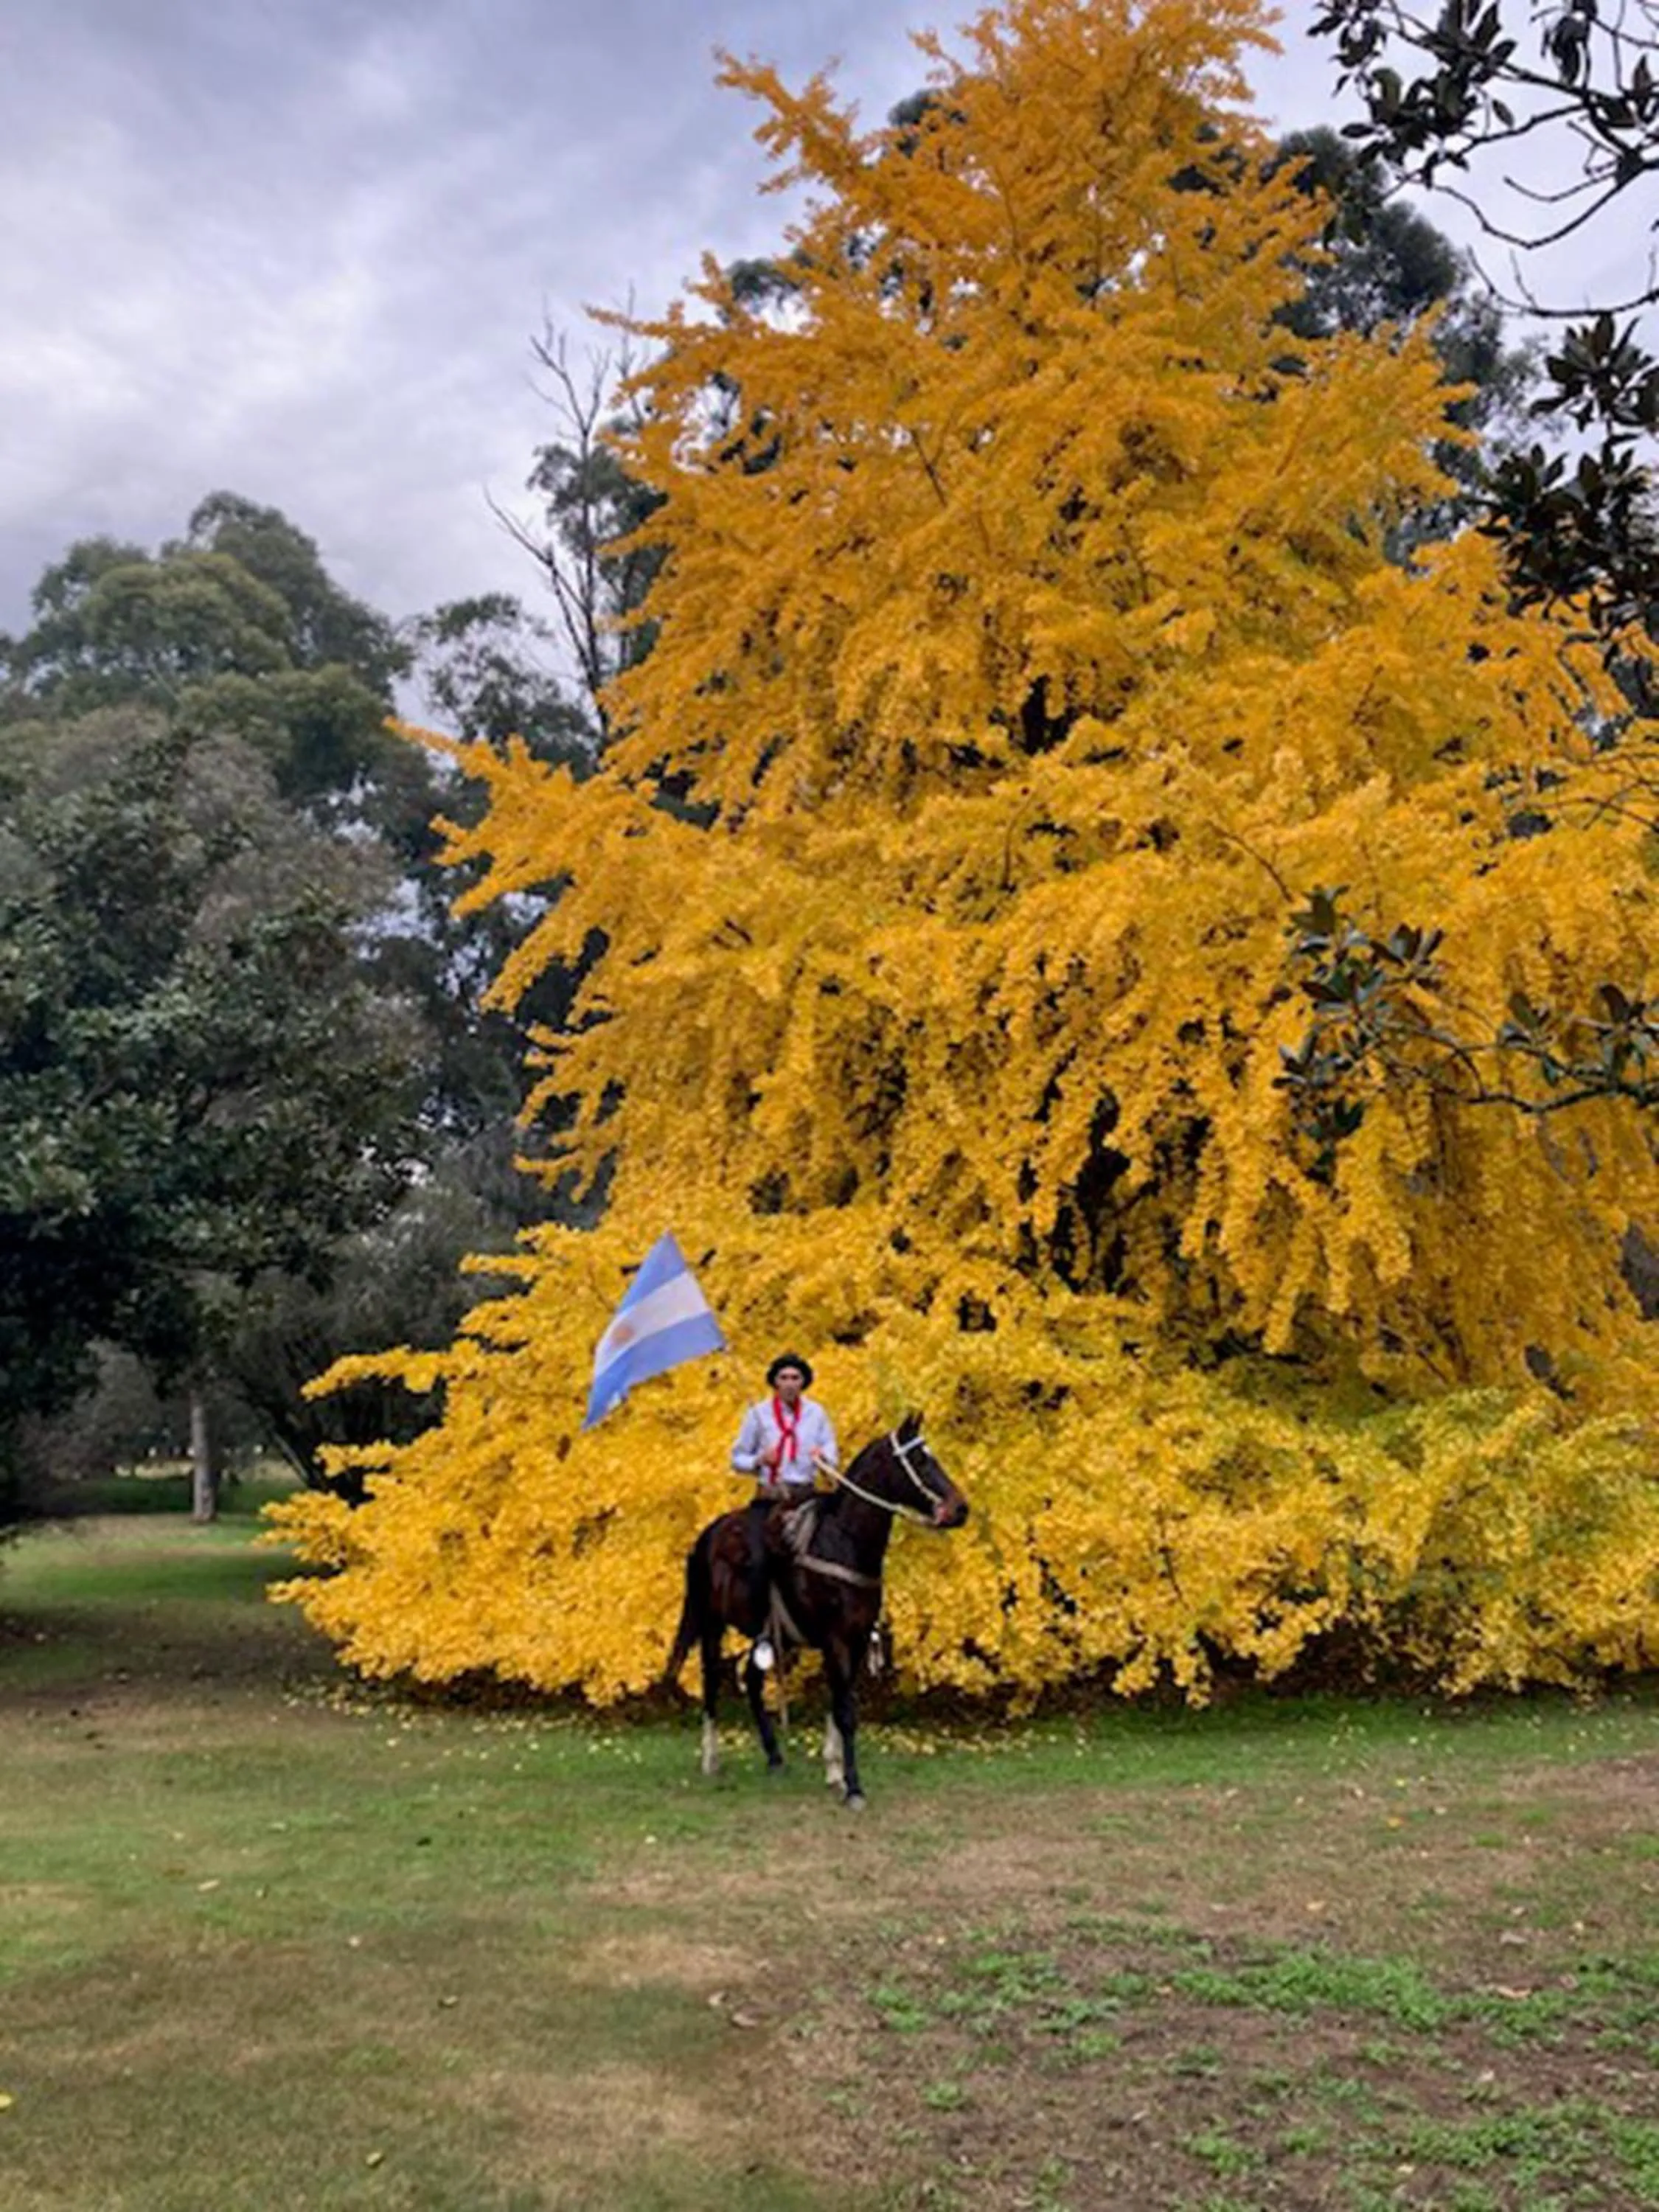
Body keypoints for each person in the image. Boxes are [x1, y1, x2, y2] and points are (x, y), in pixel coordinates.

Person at [730, 1353, 838, 1671]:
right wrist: (759, 1460)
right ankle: (763, 1628)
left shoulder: (817, 1415)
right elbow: (736, 1457)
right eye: (784, 1378)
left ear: (803, 1382)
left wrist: (824, 1456)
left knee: (836, 1549)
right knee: (761, 1557)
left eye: (795, 1378)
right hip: (770, 1499)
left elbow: (832, 1448)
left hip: (806, 1496)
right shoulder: (758, 1415)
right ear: (775, 1383)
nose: (790, 1384)